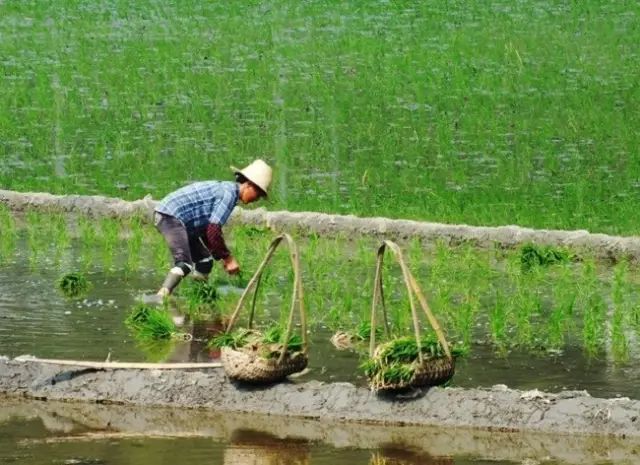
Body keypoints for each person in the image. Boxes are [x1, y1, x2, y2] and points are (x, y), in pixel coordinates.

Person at [154, 159, 272, 297]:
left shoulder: (228, 192)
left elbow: (207, 230)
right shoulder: (228, 194)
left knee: (205, 261)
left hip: (184, 222)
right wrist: (228, 258)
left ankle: (197, 296)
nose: (256, 200)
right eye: (257, 195)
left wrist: (220, 256)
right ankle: (160, 298)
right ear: (249, 185)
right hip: (171, 216)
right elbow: (213, 230)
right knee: (184, 264)